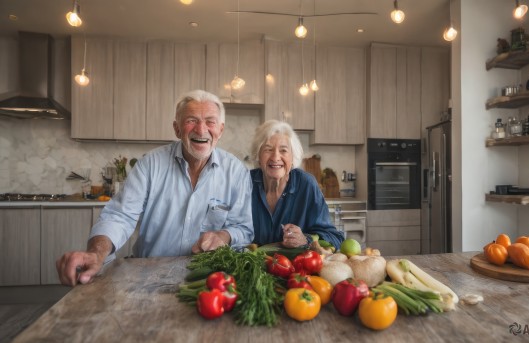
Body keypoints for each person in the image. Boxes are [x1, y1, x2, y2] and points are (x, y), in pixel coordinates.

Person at [56, 90, 254, 286]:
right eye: (191, 120)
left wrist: (224, 235)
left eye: (210, 121)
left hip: (208, 279)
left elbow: (243, 228)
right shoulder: (150, 165)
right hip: (148, 276)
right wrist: (96, 253)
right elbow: (120, 216)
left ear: (220, 129)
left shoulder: (237, 172)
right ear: (177, 129)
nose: (201, 130)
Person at [249, 120, 344, 250]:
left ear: (293, 157)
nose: (275, 157)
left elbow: (334, 238)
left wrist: (306, 240)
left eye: (283, 150)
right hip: (251, 267)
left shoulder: (306, 185)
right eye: (268, 149)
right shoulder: (245, 183)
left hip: (297, 268)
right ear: (258, 156)